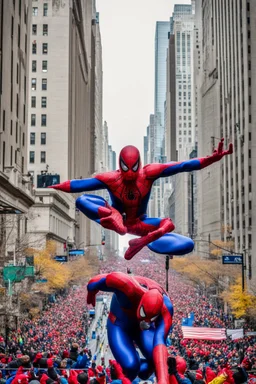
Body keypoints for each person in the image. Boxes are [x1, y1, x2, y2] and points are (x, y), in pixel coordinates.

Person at [49, 140, 232, 260]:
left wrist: (212, 159)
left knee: (185, 242)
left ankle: (145, 241)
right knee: (82, 201)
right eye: (125, 168)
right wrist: (55, 186)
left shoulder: (150, 172)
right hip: (112, 219)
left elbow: (183, 165)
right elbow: (80, 185)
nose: (129, 173)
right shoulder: (111, 178)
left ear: (139, 164)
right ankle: (116, 217)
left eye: (133, 168)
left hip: (141, 225)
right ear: (120, 165)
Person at [87, 272, 173, 383]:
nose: (144, 321)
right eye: (144, 315)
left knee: (155, 359)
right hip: (119, 325)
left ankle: (138, 366)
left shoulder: (166, 308)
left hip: (142, 330)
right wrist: (91, 289)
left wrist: (163, 380)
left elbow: (160, 344)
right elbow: (104, 278)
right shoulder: (128, 288)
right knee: (131, 366)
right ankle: (135, 364)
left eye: (151, 318)